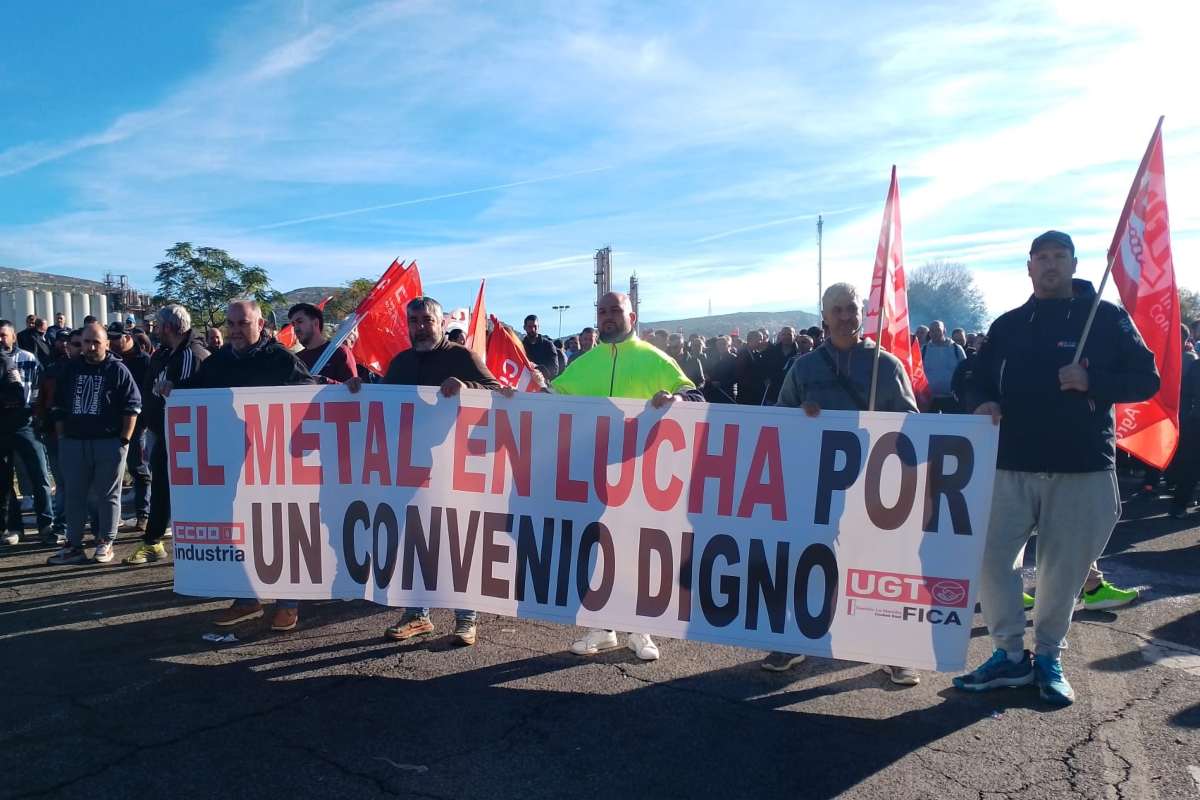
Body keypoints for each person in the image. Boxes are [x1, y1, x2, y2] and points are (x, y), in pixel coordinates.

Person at [954, 230, 1159, 706]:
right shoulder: (1009, 324)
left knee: (1061, 572)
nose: (1049, 265)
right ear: (1028, 267)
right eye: (1041, 257)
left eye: (1058, 257)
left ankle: (1048, 654)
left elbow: (1146, 376)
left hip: (1081, 465)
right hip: (1011, 464)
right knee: (991, 559)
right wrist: (981, 400)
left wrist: (1094, 381)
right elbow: (974, 375)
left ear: (1072, 263)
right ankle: (1007, 654)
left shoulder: (1105, 319)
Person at [761, 283, 922, 686]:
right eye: (837, 310)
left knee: (877, 566)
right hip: (818, 483)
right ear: (825, 316)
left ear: (862, 313)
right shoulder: (804, 368)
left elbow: (911, 420)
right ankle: (797, 639)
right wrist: (801, 414)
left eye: (851, 309)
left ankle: (892, 650)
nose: (846, 317)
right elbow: (780, 417)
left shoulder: (886, 366)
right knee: (813, 561)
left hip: (874, 483)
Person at [551, 291, 703, 662]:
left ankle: (640, 628)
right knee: (598, 550)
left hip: (643, 477)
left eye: (615, 311)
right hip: (595, 475)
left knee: (638, 552)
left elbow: (695, 397)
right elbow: (547, 403)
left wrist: (678, 403)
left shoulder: (655, 359)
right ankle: (603, 628)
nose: (607, 317)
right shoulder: (583, 363)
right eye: (602, 311)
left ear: (631, 316)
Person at [349, 296, 503, 647]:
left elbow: (495, 391)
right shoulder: (400, 362)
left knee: (457, 540)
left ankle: (466, 618)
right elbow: (385, 403)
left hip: (454, 467)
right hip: (408, 468)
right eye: (414, 320)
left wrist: (468, 387)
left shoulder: (461, 357)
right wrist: (360, 391)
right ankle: (417, 615)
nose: (420, 326)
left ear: (440, 322)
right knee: (411, 541)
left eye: (426, 320)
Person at [169, 300, 314, 629]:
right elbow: (196, 393)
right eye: (231, 323)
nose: (235, 330)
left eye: (242, 323)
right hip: (232, 462)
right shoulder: (219, 361)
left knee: (278, 532)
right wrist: (174, 392)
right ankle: (246, 598)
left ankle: (288, 603)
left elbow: (308, 393)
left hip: (273, 463)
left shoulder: (280, 359)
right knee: (240, 531)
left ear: (260, 324)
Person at [46, 322, 142, 564]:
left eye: (95, 342)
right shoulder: (70, 369)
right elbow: (57, 405)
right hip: (74, 443)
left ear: (107, 344)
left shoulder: (118, 370)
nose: (90, 347)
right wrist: (62, 437)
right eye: (86, 342)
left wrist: (124, 440)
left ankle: (105, 542)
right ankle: (74, 545)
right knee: (74, 495)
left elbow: (133, 407)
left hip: (108, 443)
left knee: (108, 495)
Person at [123, 305, 210, 566]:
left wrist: (172, 392)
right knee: (161, 486)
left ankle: (192, 546)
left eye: (158, 325)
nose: (155, 330)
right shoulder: (165, 353)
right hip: (163, 432)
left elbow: (185, 398)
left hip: (184, 438)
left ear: (169, 327)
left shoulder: (189, 355)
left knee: (178, 491)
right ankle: (154, 541)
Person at [0, 319, 54, 545]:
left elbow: (40, 389)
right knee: (3, 480)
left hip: (25, 421)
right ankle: (13, 527)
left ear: (13, 337)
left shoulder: (28, 359)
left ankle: (46, 523)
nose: (0, 340)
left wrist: (37, 416)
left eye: (3, 335)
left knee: (39, 473)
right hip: (1, 423)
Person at [108, 322, 153, 530]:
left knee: (139, 469)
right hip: (112, 424)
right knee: (110, 472)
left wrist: (143, 422)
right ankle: (110, 517)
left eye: (116, 338)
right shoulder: (110, 360)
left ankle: (143, 513)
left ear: (127, 337)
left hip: (137, 424)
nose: (112, 342)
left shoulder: (144, 361)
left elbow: (148, 393)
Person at [288, 302, 357, 382]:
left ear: (315, 323)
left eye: (300, 322)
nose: (296, 329)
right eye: (293, 324)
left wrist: (323, 381)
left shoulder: (339, 352)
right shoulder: (296, 359)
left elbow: (354, 389)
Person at [922, 321, 966, 413]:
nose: (934, 333)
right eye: (932, 331)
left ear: (944, 331)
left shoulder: (956, 349)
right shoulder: (924, 350)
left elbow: (964, 372)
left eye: (938, 330)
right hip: (929, 399)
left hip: (952, 399)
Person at [522, 314, 565, 380]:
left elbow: (554, 368)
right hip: (525, 385)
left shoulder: (548, 345)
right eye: (530, 327)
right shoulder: (521, 346)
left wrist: (540, 372)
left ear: (538, 327)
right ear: (524, 327)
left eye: (535, 326)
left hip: (544, 385)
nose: (533, 329)